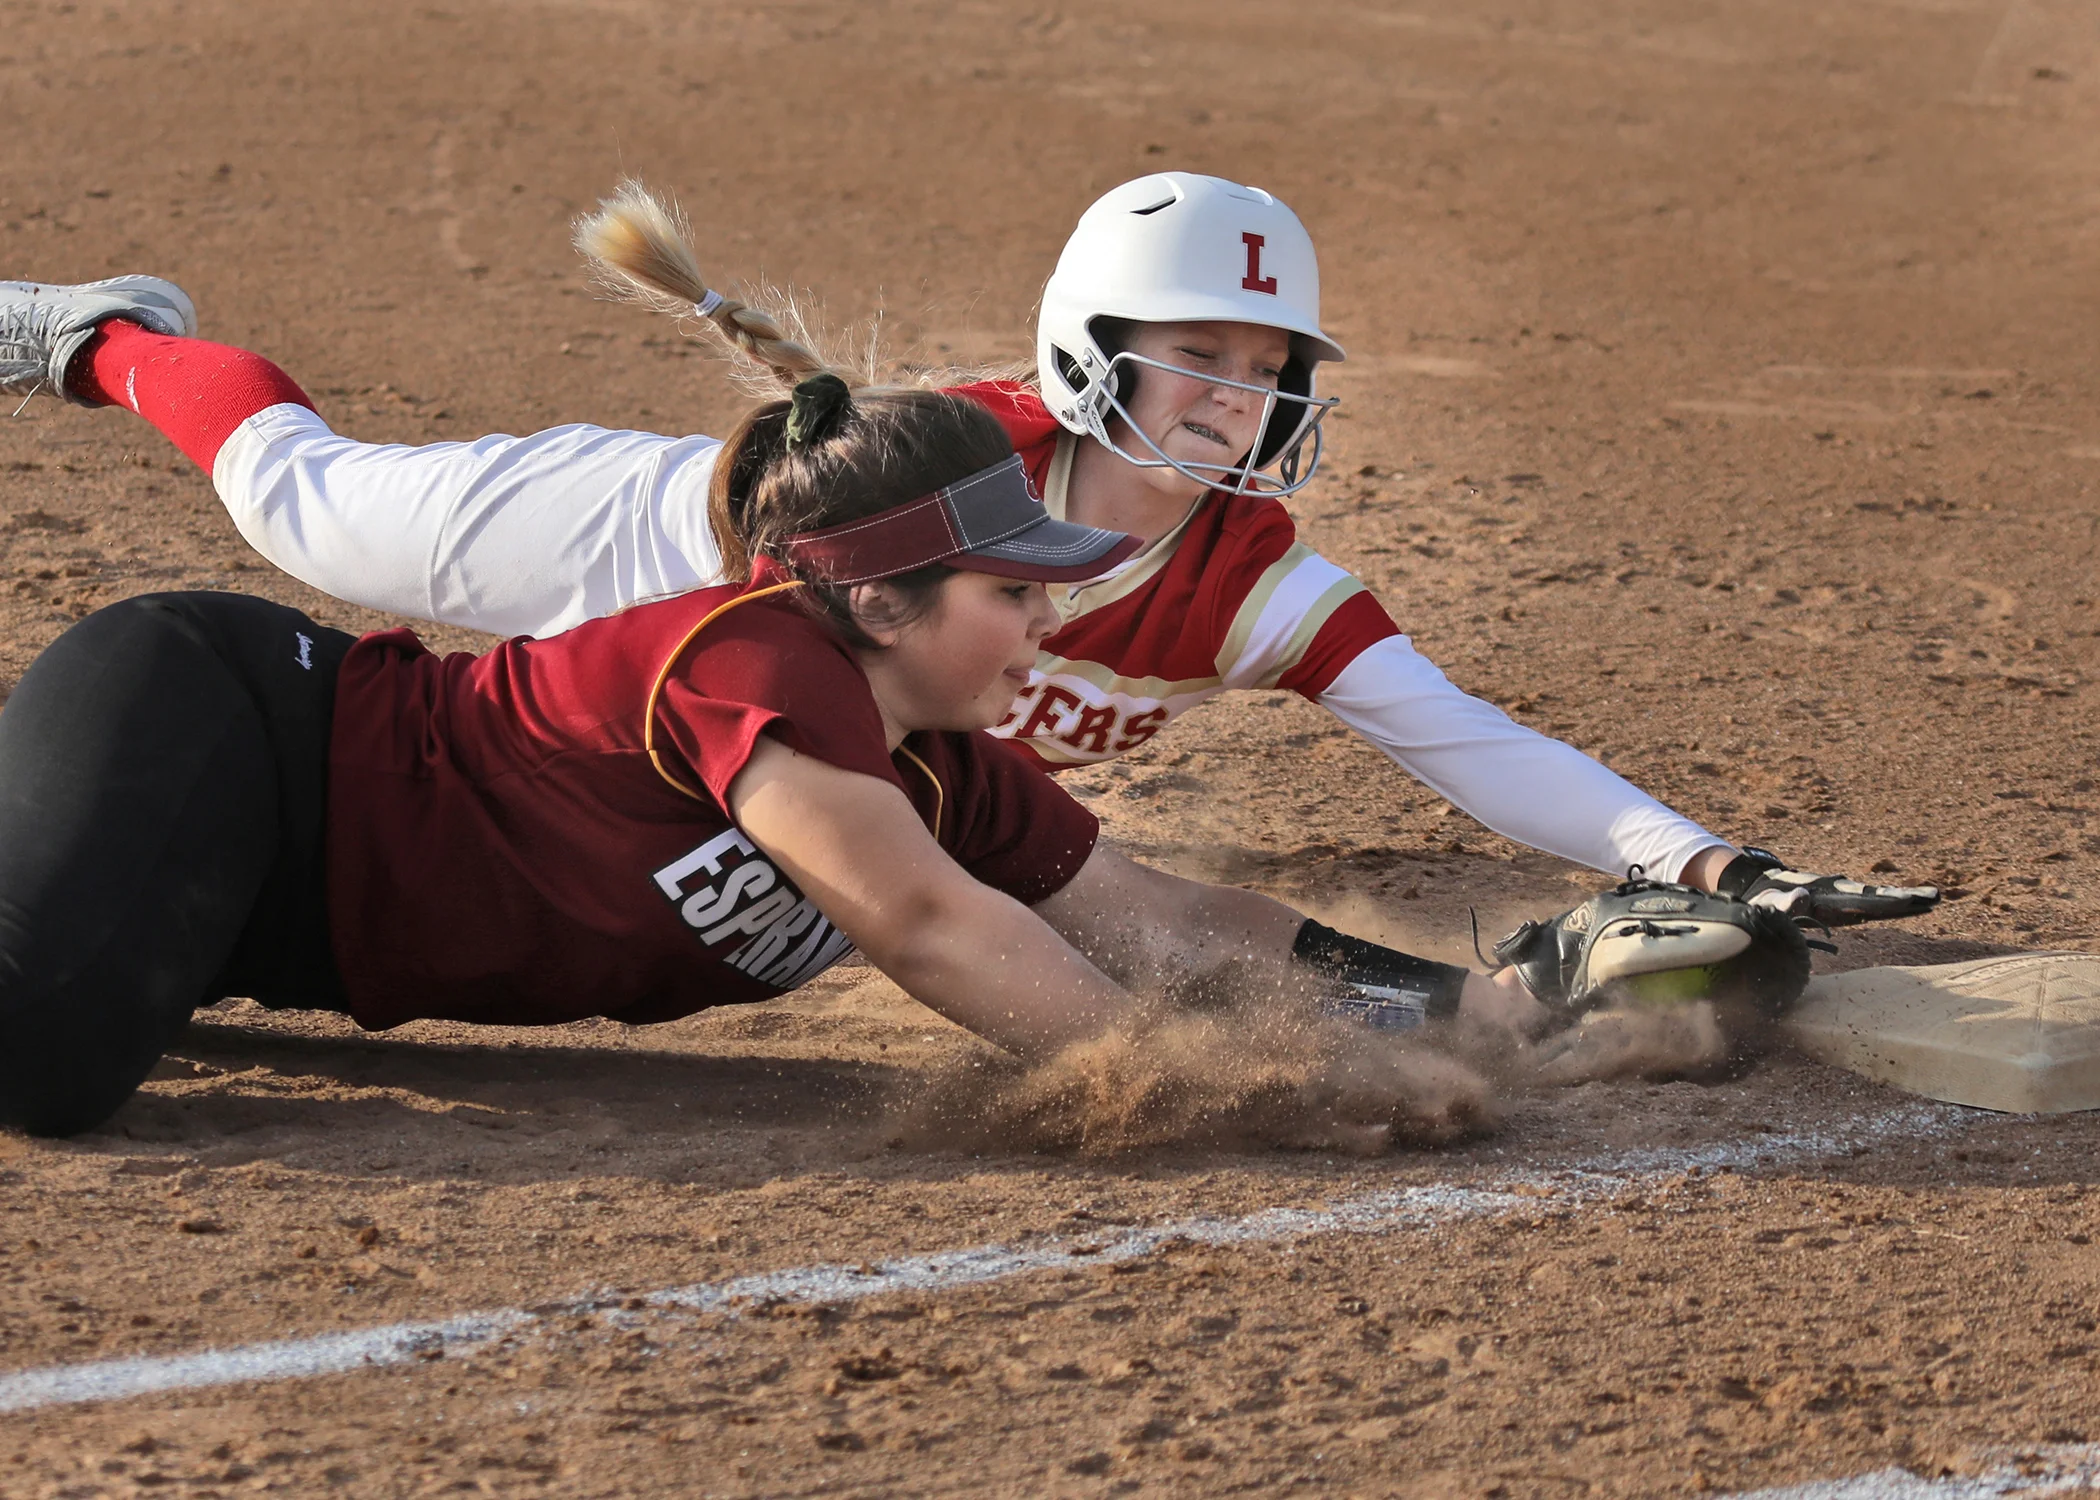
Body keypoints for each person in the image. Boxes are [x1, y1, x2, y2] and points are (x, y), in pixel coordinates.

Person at [0, 173, 1938, 928]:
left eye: (1268, 368)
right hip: (635, 548)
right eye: (1199, 356)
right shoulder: (941, 468)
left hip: (752, 719)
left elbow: (1456, 730)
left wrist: (1698, 853)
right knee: (305, 509)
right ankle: (109, 335)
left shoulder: (1247, 579)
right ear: (1094, 353)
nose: (1235, 400)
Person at [0, 337, 1552, 1139]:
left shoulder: (935, 758)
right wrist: (1234, 1091)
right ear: (878, 602)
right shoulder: (759, 664)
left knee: (98, 1010)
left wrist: (1472, 1010)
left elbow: (1175, 922)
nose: (1046, 630)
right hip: (223, 733)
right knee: (39, 1055)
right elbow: (933, 929)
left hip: (276, 920)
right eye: (1012, 593)